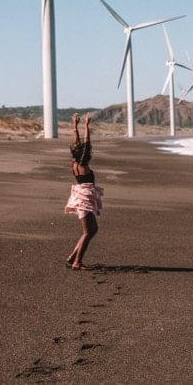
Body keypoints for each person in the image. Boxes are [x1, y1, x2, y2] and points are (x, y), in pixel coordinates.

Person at [64, 113, 103, 269]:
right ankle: (77, 262)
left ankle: (72, 257)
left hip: (80, 195)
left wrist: (76, 126)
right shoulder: (82, 165)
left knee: (91, 230)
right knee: (89, 231)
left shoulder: (75, 163)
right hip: (84, 198)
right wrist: (86, 125)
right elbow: (86, 145)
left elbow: (79, 145)